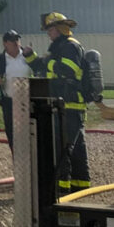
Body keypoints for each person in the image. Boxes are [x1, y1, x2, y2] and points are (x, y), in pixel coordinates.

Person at [27, 11, 90, 194]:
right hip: (65, 105)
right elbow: (43, 66)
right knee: (76, 149)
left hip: (69, 105)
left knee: (62, 150)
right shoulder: (59, 47)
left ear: (59, 29)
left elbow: (68, 69)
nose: (48, 33)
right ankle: (80, 187)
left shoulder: (69, 47)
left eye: (50, 30)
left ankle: (61, 189)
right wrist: (30, 56)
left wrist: (49, 63)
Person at [0, 29, 34, 151]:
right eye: (12, 40)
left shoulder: (28, 57)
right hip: (9, 102)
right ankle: (18, 163)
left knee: (31, 135)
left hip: (29, 102)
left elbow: (40, 72)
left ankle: (33, 166)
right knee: (13, 136)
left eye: (17, 39)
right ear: (5, 43)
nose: (16, 42)